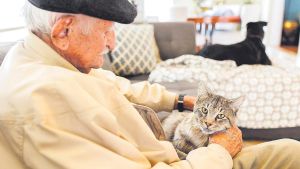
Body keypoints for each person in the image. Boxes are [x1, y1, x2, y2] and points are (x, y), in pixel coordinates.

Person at [0, 0, 299, 168]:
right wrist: (219, 151)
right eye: (106, 31)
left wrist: (180, 101)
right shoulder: (45, 100)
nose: (112, 43)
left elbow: (118, 85)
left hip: (171, 154)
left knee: (289, 150)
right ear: (63, 30)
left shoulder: (44, 57)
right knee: (291, 155)